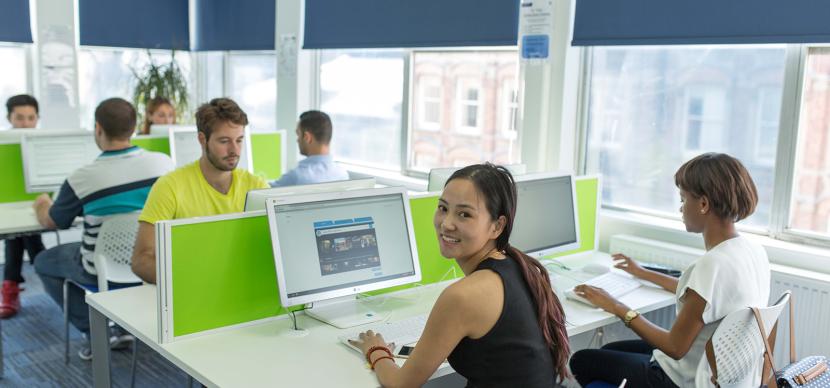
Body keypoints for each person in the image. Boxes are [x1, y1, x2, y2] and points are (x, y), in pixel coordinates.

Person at [350, 163, 571, 387]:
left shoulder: (463, 296)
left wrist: (375, 350)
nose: (446, 224)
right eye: (443, 208)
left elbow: (401, 384)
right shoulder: (519, 266)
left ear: (497, 226)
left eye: (464, 214)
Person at [569, 153, 771, 388]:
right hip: (716, 371)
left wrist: (616, 306)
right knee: (609, 350)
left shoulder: (712, 264)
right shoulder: (751, 250)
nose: (681, 208)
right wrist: (642, 272)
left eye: (684, 199)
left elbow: (675, 348)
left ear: (703, 204)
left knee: (582, 360)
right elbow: (703, 297)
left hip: (682, 380)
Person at [32, 98, 174, 359]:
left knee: (43, 261)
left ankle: (96, 330)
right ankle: (123, 323)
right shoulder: (164, 164)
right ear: (133, 128)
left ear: (98, 128)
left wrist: (41, 203)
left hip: (102, 268)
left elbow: (52, 222)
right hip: (153, 263)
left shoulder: (82, 178)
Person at [131, 98, 269, 284]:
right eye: (224, 141)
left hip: (242, 288)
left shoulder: (257, 187)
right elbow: (141, 260)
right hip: (190, 291)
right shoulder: (170, 186)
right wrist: (194, 282)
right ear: (202, 139)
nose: (234, 150)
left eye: (239, 140)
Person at [1, 94, 46, 318]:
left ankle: (9, 288)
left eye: (31, 118)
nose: (25, 123)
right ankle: (45, 270)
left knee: (16, 236)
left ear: (38, 118)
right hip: (12, 208)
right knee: (20, 235)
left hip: (42, 204)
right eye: (19, 118)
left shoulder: (45, 143)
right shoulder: (4, 144)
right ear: (9, 118)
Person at [270, 110, 349, 187]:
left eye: (298, 134)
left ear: (307, 137)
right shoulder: (342, 174)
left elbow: (264, 191)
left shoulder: (297, 177)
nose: (297, 140)